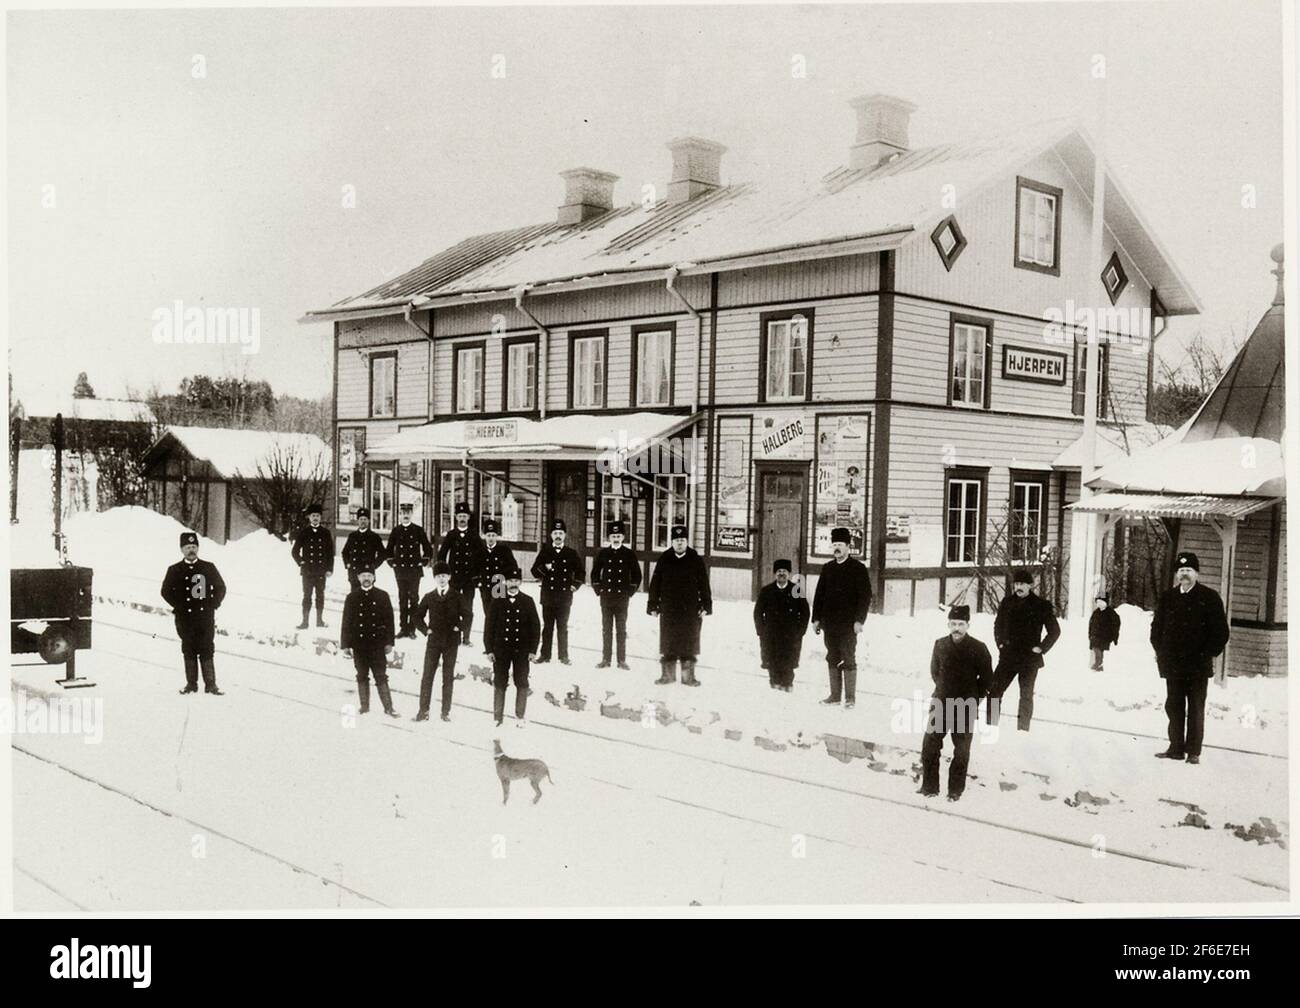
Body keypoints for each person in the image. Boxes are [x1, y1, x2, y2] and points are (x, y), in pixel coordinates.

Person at [1150, 551, 1229, 765]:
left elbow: (1221, 632)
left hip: (1197, 666)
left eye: (1189, 570)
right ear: (1177, 574)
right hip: (1173, 665)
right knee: (1173, 706)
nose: (1184, 574)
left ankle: (1193, 751)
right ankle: (1176, 747)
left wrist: (1206, 654)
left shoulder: (1209, 597)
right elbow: (1156, 629)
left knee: (1195, 707)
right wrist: (1161, 652)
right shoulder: (1168, 598)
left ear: (1197, 573)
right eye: (1181, 570)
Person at [918, 604, 993, 802]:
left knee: (961, 750)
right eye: (953, 624)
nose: (956, 628)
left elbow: (986, 679)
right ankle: (929, 787)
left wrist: (974, 698)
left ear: (968, 625)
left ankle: (955, 791)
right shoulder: (940, 644)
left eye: (961, 624)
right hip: (941, 702)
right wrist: (944, 689)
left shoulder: (978, 648)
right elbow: (935, 672)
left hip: (965, 706)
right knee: (930, 746)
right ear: (948, 624)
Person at [988, 569, 1060, 731]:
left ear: (1030, 585)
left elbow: (1055, 631)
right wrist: (1000, 644)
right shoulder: (1007, 603)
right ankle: (991, 726)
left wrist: (1041, 648)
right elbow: (997, 626)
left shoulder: (1041, 605)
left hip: (1029, 659)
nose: (1018, 587)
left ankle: (1022, 730)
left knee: (1026, 695)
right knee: (994, 691)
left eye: (1022, 584)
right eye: (1016, 584)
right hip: (1008, 657)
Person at [810, 527, 872, 708]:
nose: (836, 548)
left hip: (848, 625)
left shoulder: (858, 569)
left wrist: (859, 620)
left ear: (848, 546)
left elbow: (865, 597)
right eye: (834, 544)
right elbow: (819, 594)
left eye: (840, 544)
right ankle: (835, 696)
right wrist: (816, 619)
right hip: (829, 624)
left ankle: (850, 698)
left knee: (848, 657)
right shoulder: (827, 568)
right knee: (832, 656)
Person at [161, 531, 228, 695]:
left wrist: (213, 604)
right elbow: (165, 591)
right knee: (188, 648)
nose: (191, 550)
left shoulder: (208, 567)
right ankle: (191, 684)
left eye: (194, 546)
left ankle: (211, 685)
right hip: (185, 618)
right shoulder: (174, 569)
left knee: (206, 648)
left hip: (205, 617)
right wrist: (178, 606)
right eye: (187, 547)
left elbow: (221, 587)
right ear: (182, 549)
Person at [647, 524, 712, 686]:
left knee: (689, 643)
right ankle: (667, 676)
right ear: (672, 542)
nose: (679, 543)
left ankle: (688, 677)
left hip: (690, 609)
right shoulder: (664, 558)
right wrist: (653, 605)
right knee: (668, 642)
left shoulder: (695, 559)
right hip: (669, 608)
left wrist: (706, 605)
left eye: (682, 540)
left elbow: (704, 584)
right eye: (676, 540)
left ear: (686, 541)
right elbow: (655, 583)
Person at [484, 569, 541, 727]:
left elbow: (535, 627)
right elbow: (489, 627)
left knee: (522, 682)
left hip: (521, 651)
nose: (513, 584)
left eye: (516, 581)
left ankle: (520, 715)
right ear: (505, 582)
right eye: (510, 581)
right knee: (500, 682)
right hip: (501, 650)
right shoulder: (497, 600)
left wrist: (532, 650)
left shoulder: (527, 601)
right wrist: (489, 649)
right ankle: (497, 717)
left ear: (520, 582)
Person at [340, 565, 399, 717]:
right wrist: (345, 644)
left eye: (369, 575)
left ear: (373, 577)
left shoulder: (382, 596)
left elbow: (389, 621)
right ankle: (364, 706)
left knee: (381, 675)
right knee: (361, 675)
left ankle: (388, 707)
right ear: (358, 578)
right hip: (359, 645)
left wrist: (389, 642)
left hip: (377, 645)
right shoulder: (352, 597)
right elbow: (346, 622)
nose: (366, 578)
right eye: (363, 575)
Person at [412, 561, 463, 722]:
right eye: (438, 576)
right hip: (433, 642)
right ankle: (423, 711)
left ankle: (445, 712)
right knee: (427, 676)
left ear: (449, 577)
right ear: (435, 578)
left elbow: (468, 615)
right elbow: (416, 616)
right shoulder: (429, 597)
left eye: (444, 576)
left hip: (451, 642)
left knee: (447, 677)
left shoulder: (456, 596)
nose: (441, 579)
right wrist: (425, 629)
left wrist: (459, 627)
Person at [530, 518, 585, 664]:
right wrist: (545, 569)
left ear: (565, 535)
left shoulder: (571, 553)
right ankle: (545, 655)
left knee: (562, 627)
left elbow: (581, 572)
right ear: (551, 535)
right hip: (548, 595)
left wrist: (574, 586)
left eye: (561, 533)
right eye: (555, 533)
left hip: (564, 597)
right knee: (547, 627)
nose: (558, 536)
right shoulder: (545, 551)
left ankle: (563, 656)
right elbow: (534, 571)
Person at [590, 519, 642, 669]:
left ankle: (621, 660)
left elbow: (637, 575)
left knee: (621, 629)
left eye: (619, 536)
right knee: (606, 629)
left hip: (621, 597)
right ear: (609, 538)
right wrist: (598, 589)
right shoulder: (603, 553)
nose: (616, 538)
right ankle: (606, 659)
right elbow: (595, 573)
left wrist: (629, 592)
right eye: (613, 536)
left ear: (623, 537)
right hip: (606, 597)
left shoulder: (629, 554)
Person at [753, 559, 810, 691]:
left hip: (790, 635)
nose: (781, 574)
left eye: (784, 571)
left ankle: (787, 685)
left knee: (788, 661)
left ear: (789, 573)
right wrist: (761, 630)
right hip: (771, 634)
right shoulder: (766, 591)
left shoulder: (796, 590)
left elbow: (805, 612)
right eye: (779, 571)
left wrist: (800, 631)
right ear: (775, 574)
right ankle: (774, 684)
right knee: (772, 661)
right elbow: (757, 612)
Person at [437, 502, 485, 647]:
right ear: (456, 517)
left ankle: (466, 637)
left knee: (468, 609)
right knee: (453, 607)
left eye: (465, 516)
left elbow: (482, 556)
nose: (462, 518)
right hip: (455, 578)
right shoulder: (451, 535)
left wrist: (478, 575)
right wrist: (443, 574)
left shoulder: (474, 535)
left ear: (468, 518)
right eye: (460, 516)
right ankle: (454, 636)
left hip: (469, 579)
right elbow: (441, 555)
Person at [386, 502, 432, 638]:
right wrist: (392, 562)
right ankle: (403, 628)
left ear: (412, 514)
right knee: (402, 599)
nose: (405, 515)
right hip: (400, 571)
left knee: (414, 599)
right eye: (403, 513)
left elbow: (428, 548)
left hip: (414, 571)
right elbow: (388, 550)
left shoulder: (418, 530)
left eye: (408, 513)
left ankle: (412, 628)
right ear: (400, 515)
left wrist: (424, 560)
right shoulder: (396, 531)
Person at [477, 519, 520, 650]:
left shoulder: (504, 550)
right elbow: (474, 567)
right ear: (484, 536)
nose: (491, 538)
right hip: (485, 586)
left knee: (500, 614)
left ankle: (500, 642)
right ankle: (489, 645)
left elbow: (513, 567)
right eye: (488, 535)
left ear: (497, 536)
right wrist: (478, 581)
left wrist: (507, 581)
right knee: (488, 614)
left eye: (493, 535)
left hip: (499, 586)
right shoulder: (480, 550)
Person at [291, 503, 334, 630]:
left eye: (318, 516)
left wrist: (329, 569)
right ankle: (305, 621)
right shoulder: (304, 532)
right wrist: (301, 562)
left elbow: (330, 554)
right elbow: (294, 551)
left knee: (320, 595)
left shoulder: (325, 533)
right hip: (308, 571)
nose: (315, 518)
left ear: (320, 518)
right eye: (313, 515)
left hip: (321, 571)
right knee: (307, 596)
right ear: (309, 517)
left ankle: (319, 620)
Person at [342, 507, 386, 592]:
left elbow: (382, 554)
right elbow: (345, 552)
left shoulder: (374, 537)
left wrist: (374, 565)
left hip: (367, 573)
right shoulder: (352, 536)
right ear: (358, 521)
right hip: (354, 572)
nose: (363, 521)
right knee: (354, 598)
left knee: (368, 598)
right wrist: (347, 563)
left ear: (369, 521)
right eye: (361, 519)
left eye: (365, 519)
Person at [1088, 592, 1121, 671]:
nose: (1099, 603)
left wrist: (1114, 637)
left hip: (1105, 636)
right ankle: (1099, 664)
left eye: (1101, 601)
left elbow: (1116, 624)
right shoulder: (1096, 613)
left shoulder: (1111, 613)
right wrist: (1090, 635)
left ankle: (1099, 664)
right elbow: (1091, 624)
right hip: (1095, 636)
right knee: (1097, 649)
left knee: (1100, 650)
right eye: (1097, 602)